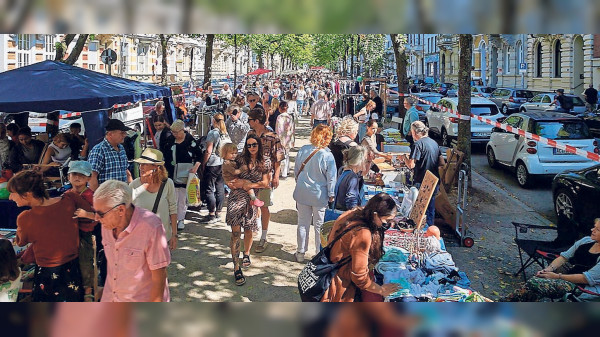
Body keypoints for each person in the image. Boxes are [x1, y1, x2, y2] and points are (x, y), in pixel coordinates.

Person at [9, 170, 93, 302]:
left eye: (12, 194)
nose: (10, 198)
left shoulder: (25, 218)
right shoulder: (70, 198)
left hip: (47, 274)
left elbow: (20, 242)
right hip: (73, 269)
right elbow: (90, 216)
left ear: (27, 194)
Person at [93, 180, 170, 302]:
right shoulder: (106, 225)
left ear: (121, 210)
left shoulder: (151, 226)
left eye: (100, 214)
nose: (96, 218)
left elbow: (159, 277)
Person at [321, 193, 401, 302]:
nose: (388, 225)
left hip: (333, 270)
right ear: (375, 215)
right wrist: (381, 290)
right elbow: (359, 277)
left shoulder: (353, 213)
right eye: (386, 221)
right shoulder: (362, 234)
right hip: (339, 286)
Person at [502, 218, 600, 302]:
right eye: (594, 227)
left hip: (583, 288)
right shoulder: (586, 241)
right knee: (536, 283)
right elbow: (563, 257)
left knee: (535, 284)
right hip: (567, 278)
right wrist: (548, 269)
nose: (592, 230)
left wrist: (557, 276)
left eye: (598, 229)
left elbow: (586, 279)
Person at [225, 135, 271, 286]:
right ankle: (236, 267)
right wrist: (232, 183)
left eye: (254, 144)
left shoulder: (264, 161)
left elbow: (265, 183)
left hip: (251, 201)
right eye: (249, 145)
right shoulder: (239, 159)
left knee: (249, 230)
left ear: (259, 145)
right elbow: (227, 172)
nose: (251, 147)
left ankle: (246, 253)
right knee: (236, 232)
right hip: (236, 199)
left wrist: (248, 184)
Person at [293, 124, 337, 263]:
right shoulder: (327, 155)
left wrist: (299, 182)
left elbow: (296, 170)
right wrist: (331, 193)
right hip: (319, 194)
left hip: (302, 191)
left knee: (302, 223)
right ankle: (318, 253)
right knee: (319, 225)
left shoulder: (304, 150)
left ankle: (300, 252)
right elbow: (331, 177)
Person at [246, 108, 285, 253]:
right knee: (252, 203)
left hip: (265, 177)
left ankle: (264, 236)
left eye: (249, 120)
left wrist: (276, 177)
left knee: (263, 205)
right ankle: (254, 228)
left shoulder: (273, 137)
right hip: (250, 175)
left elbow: (278, 158)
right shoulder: (250, 134)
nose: (248, 122)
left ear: (256, 121)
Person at [400, 121, 446, 229]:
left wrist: (404, 158)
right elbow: (442, 163)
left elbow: (411, 165)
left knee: (419, 210)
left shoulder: (417, 144)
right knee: (430, 208)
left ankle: (421, 230)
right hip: (434, 181)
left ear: (415, 132)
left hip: (422, 181)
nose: (411, 135)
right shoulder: (434, 143)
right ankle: (430, 229)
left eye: (411, 132)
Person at [130, 148, 178, 251]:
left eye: (145, 164)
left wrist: (174, 235)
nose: (140, 167)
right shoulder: (134, 185)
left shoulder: (167, 183)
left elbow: (173, 209)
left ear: (156, 167)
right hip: (140, 239)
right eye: (140, 164)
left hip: (162, 237)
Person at [68, 161, 99, 302]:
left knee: (85, 261)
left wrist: (86, 214)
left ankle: (88, 290)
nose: (77, 178)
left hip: (85, 233)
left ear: (88, 178)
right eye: (74, 174)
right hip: (70, 234)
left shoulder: (92, 196)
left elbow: (100, 216)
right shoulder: (67, 194)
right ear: (69, 176)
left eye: (82, 175)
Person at [163, 120, 202, 230]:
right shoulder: (170, 140)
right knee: (173, 196)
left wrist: (195, 168)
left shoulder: (190, 140)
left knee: (183, 198)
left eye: (176, 132)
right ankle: (173, 218)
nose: (174, 134)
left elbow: (199, 155)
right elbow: (165, 155)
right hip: (172, 172)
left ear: (182, 130)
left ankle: (181, 219)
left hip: (186, 173)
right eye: (173, 132)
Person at [88, 119, 132, 191]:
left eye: (125, 133)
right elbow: (92, 177)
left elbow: (126, 171)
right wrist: (95, 198)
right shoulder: (99, 150)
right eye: (122, 133)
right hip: (106, 198)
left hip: (122, 196)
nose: (125, 135)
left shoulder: (121, 148)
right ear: (110, 134)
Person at [200, 114, 227, 224]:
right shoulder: (224, 133)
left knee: (209, 188)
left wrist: (203, 163)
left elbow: (208, 151)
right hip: (222, 162)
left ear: (214, 121)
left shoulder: (212, 133)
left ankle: (211, 213)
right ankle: (218, 212)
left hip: (212, 163)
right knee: (220, 187)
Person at [221, 143, 264, 207]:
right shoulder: (227, 163)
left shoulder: (231, 161)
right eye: (232, 153)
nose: (234, 155)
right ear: (225, 153)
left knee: (247, 184)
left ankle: (253, 199)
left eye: (235, 153)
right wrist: (242, 169)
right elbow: (234, 172)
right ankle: (254, 199)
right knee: (247, 184)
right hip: (232, 181)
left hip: (234, 180)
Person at [335, 146, 368, 211]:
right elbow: (351, 200)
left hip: (338, 209)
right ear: (359, 160)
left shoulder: (342, 170)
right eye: (365, 160)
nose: (366, 162)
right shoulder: (352, 176)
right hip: (344, 213)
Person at [275, 101, 295, 179]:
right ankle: (287, 170)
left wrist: (278, 139)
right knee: (287, 154)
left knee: (282, 156)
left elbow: (278, 129)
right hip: (288, 138)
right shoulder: (290, 117)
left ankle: (284, 173)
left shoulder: (280, 117)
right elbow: (292, 129)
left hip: (282, 138)